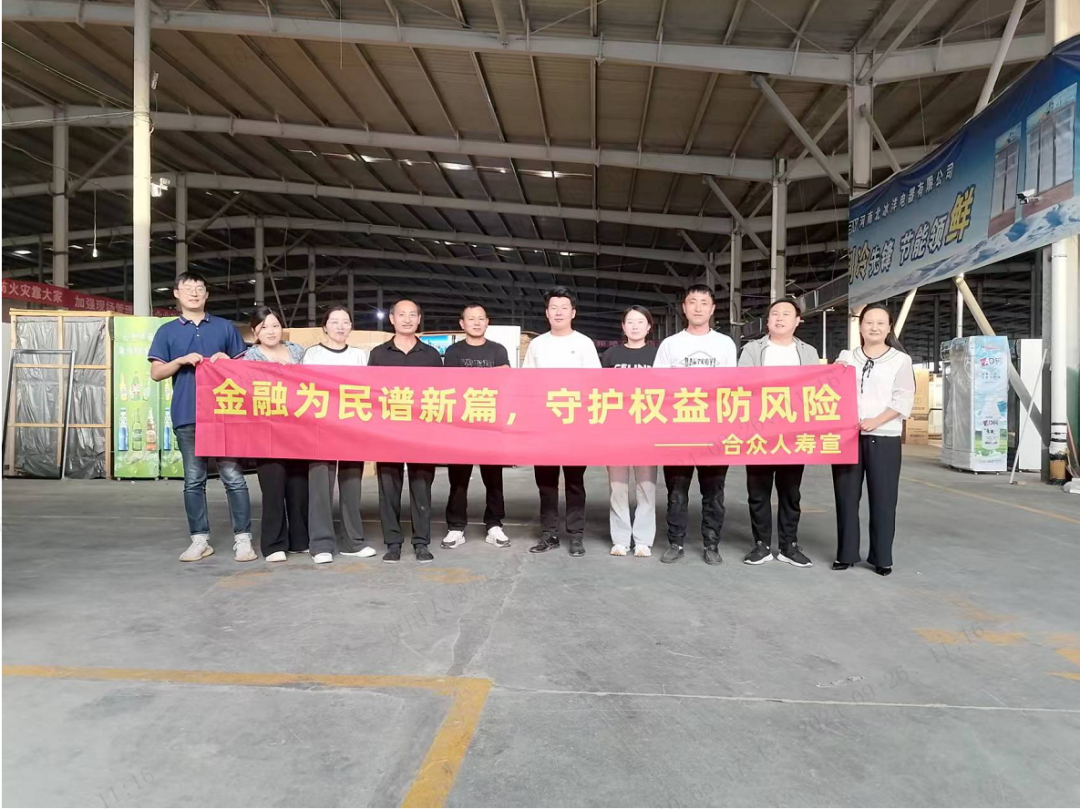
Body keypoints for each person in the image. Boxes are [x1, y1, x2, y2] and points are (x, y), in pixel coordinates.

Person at [148, 270, 254, 563]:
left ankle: (243, 538)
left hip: (225, 414)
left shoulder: (224, 327)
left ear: (207, 294)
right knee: (194, 480)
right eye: (188, 288)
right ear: (176, 293)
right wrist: (180, 361)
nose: (194, 293)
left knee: (233, 477)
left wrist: (228, 361)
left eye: (199, 288)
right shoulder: (167, 332)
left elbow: (247, 371)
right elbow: (156, 372)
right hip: (187, 413)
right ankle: (199, 539)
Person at [653, 284, 738, 565]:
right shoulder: (670, 344)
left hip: (714, 432)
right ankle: (675, 542)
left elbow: (732, 386)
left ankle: (711, 544)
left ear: (712, 309)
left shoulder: (724, 344)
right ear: (684, 307)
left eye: (704, 302)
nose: (698, 307)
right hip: (678, 432)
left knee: (713, 493)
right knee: (676, 492)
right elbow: (657, 386)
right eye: (693, 302)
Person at [831, 304, 915, 576]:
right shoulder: (847, 356)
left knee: (883, 499)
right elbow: (833, 388)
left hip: (884, 437)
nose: (874, 327)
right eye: (869, 322)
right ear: (860, 326)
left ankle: (881, 557)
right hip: (848, 438)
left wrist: (877, 420)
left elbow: (903, 398)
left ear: (889, 327)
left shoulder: (900, 360)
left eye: (880, 323)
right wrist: (835, 370)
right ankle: (846, 554)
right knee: (846, 498)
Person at [738, 299, 821, 568]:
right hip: (759, 432)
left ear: (797, 321)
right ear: (768, 321)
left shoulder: (807, 352)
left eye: (786, 314)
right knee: (758, 491)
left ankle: (788, 546)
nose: (780, 318)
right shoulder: (752, 350)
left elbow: (816, 388)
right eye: (775, 314)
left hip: (793, 433)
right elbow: (742, 385)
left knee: (790, 492)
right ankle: (761, 545)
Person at [523, 287, 602, 557]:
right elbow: (527, 383)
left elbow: (595, 384)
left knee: (574, 482)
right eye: (554, 308)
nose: (559, 312)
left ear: (573, 313)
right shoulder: (537, 344)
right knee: (546, 483)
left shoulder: (584, 343)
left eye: (564, 307)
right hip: (543, 426)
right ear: (547, 313)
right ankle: (549, 534)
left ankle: (576, 535)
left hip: (574, 425)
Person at [368, 299, 443, 565]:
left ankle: (421, 542)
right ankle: (393, 543)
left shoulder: (431, 355)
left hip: (422, 433)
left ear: (419, 319)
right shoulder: (379, 354)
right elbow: (369, 392)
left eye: (413, 315)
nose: (407, 319)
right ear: (392, 319)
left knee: (421, 489)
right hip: (388, 433)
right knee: (388, 489)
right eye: (402, 315)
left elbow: (442, 393)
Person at [302, 306, 372, 565]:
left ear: (351, 326)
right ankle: (320, 544)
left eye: (345, 322)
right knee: (320, 488)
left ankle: (353, 542)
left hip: (351, 429)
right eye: (334, 322)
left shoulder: (359, 355)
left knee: (351, 486)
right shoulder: (313, 354)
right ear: (325, 326)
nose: (340, 326)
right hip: (321, 429)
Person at [440, 303, 512, 550]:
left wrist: (481, 378)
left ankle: (494, 525)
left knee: (494, 479)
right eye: (471, 318)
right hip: (461, 426)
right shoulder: (453, 352)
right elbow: (453, 385)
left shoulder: (498, 350)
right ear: (462, 324)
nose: (477, 322)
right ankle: (456, 527)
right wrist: (492, 374)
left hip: (490, 423)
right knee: (458, 480)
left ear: (487, 322)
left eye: (481, 318)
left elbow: (505, 380)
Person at [243, 306, 310, 563]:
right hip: (267, 431)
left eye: (275, 325)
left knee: (298, 486)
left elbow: (311, 383)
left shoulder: (296, 351)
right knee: (273, 488)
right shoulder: (250, 357)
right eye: (264, 327)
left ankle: (300, 540)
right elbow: (245, 389)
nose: (270, 331)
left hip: (297, 430)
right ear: (255, 332)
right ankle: (273, 544)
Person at [601, 306, 659, 558]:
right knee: (618, 487)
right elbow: (599, 390)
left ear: (649, 327)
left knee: (646, 486)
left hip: (647, 429)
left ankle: (643, 540)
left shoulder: (657, 355)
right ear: (623, 327)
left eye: (640, 322)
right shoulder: (611, 355)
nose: (635, 326)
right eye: (630, 322)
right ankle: (621, 539)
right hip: (616, 429)